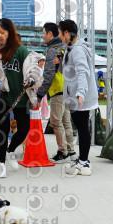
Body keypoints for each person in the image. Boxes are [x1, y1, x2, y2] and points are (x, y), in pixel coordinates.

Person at [0, 18, 38, 178]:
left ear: (10, 33)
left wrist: (31, 79)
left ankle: (11, 150)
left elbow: (34, 68)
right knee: (2, 131)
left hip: (20, 96)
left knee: (24, 129)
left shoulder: (21, 50)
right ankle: (1, 164)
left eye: (2, 32)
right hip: (1, 95)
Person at [58, 20, 98, 176]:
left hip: (79, 97)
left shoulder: (77, 50)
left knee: (82, 128)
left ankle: (84, 162)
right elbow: (70, 70)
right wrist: (60, 63)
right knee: (81, 128)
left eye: (61, 34)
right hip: (75, 96)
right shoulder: (70, 48)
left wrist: (80, 93)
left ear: (67, 33)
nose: (60, 37)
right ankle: (83, 160)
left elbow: (83, 71)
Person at [36, 22, 75, 163]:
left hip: (57, 89)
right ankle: (71, 151)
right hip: (66, 89)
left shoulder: (53, 49)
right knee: (66, 121)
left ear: (50, 34)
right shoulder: (64, 46)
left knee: (55, 122)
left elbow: (48, 74)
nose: (43, 36)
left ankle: (62, 152)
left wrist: (40, 94)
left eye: (43, 33)